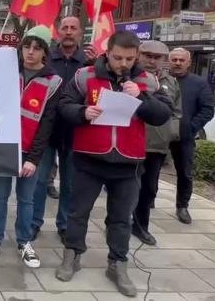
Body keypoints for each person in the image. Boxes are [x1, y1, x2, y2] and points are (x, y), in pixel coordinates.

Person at [54, 31, 171, 297]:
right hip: (89, 158)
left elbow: (163, 115)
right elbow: (64, 104)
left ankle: (117, 263)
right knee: (78, 212)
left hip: (128, 163)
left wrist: (141, 98)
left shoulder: (147, 80)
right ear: (108, 52)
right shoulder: (85, 76)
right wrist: (82, 112)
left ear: (137, 55)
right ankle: (72, 255)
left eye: (129, 58)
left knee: (120, 218)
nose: (123, 64)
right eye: (118, 57)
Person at [0, 26, 63, 268]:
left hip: (30, 151)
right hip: (4, 148)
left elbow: (47, 124)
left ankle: (24, 241)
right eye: (27, 46)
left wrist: (34, 159)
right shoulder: (6, 71)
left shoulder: (53, 82)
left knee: (26, 200)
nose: (30, 52)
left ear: (45, 52)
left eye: (37, 48)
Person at [32, 16, 96, 241]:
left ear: (80, 33)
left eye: (73, 28)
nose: (68, 31)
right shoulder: (48, 59)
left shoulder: (88, 63)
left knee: (70, 183)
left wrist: (95, 65)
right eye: (64, 27)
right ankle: (34, 222)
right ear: (57, 32)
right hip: (47, 132)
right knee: (39, 182)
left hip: (76, 132)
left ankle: (65, 224)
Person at [132, 40, 181, 246]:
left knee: (149, 189)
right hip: (133, 142)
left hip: (157, 146)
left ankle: (141, 226)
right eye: (147, 55)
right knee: (127, 187)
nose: (152, 60)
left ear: (164, 60)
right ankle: (117, 222)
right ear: (138, 55)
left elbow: (177, 112)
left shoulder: (170, 82)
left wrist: (171, 135)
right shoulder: (130, 78)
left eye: (157, 57)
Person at [168, 47, 215, 224]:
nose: (178, 63)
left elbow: (207, 109)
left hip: (184, 135)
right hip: (159, 133)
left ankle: (182, 206)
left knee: (185, 173)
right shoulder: (160, 80)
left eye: (182, 60)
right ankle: (147, 201)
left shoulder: (199, 83)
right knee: (150, 170)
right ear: (169, 61)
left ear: (189, 62)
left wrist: (191, 127)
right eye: (174, 59)